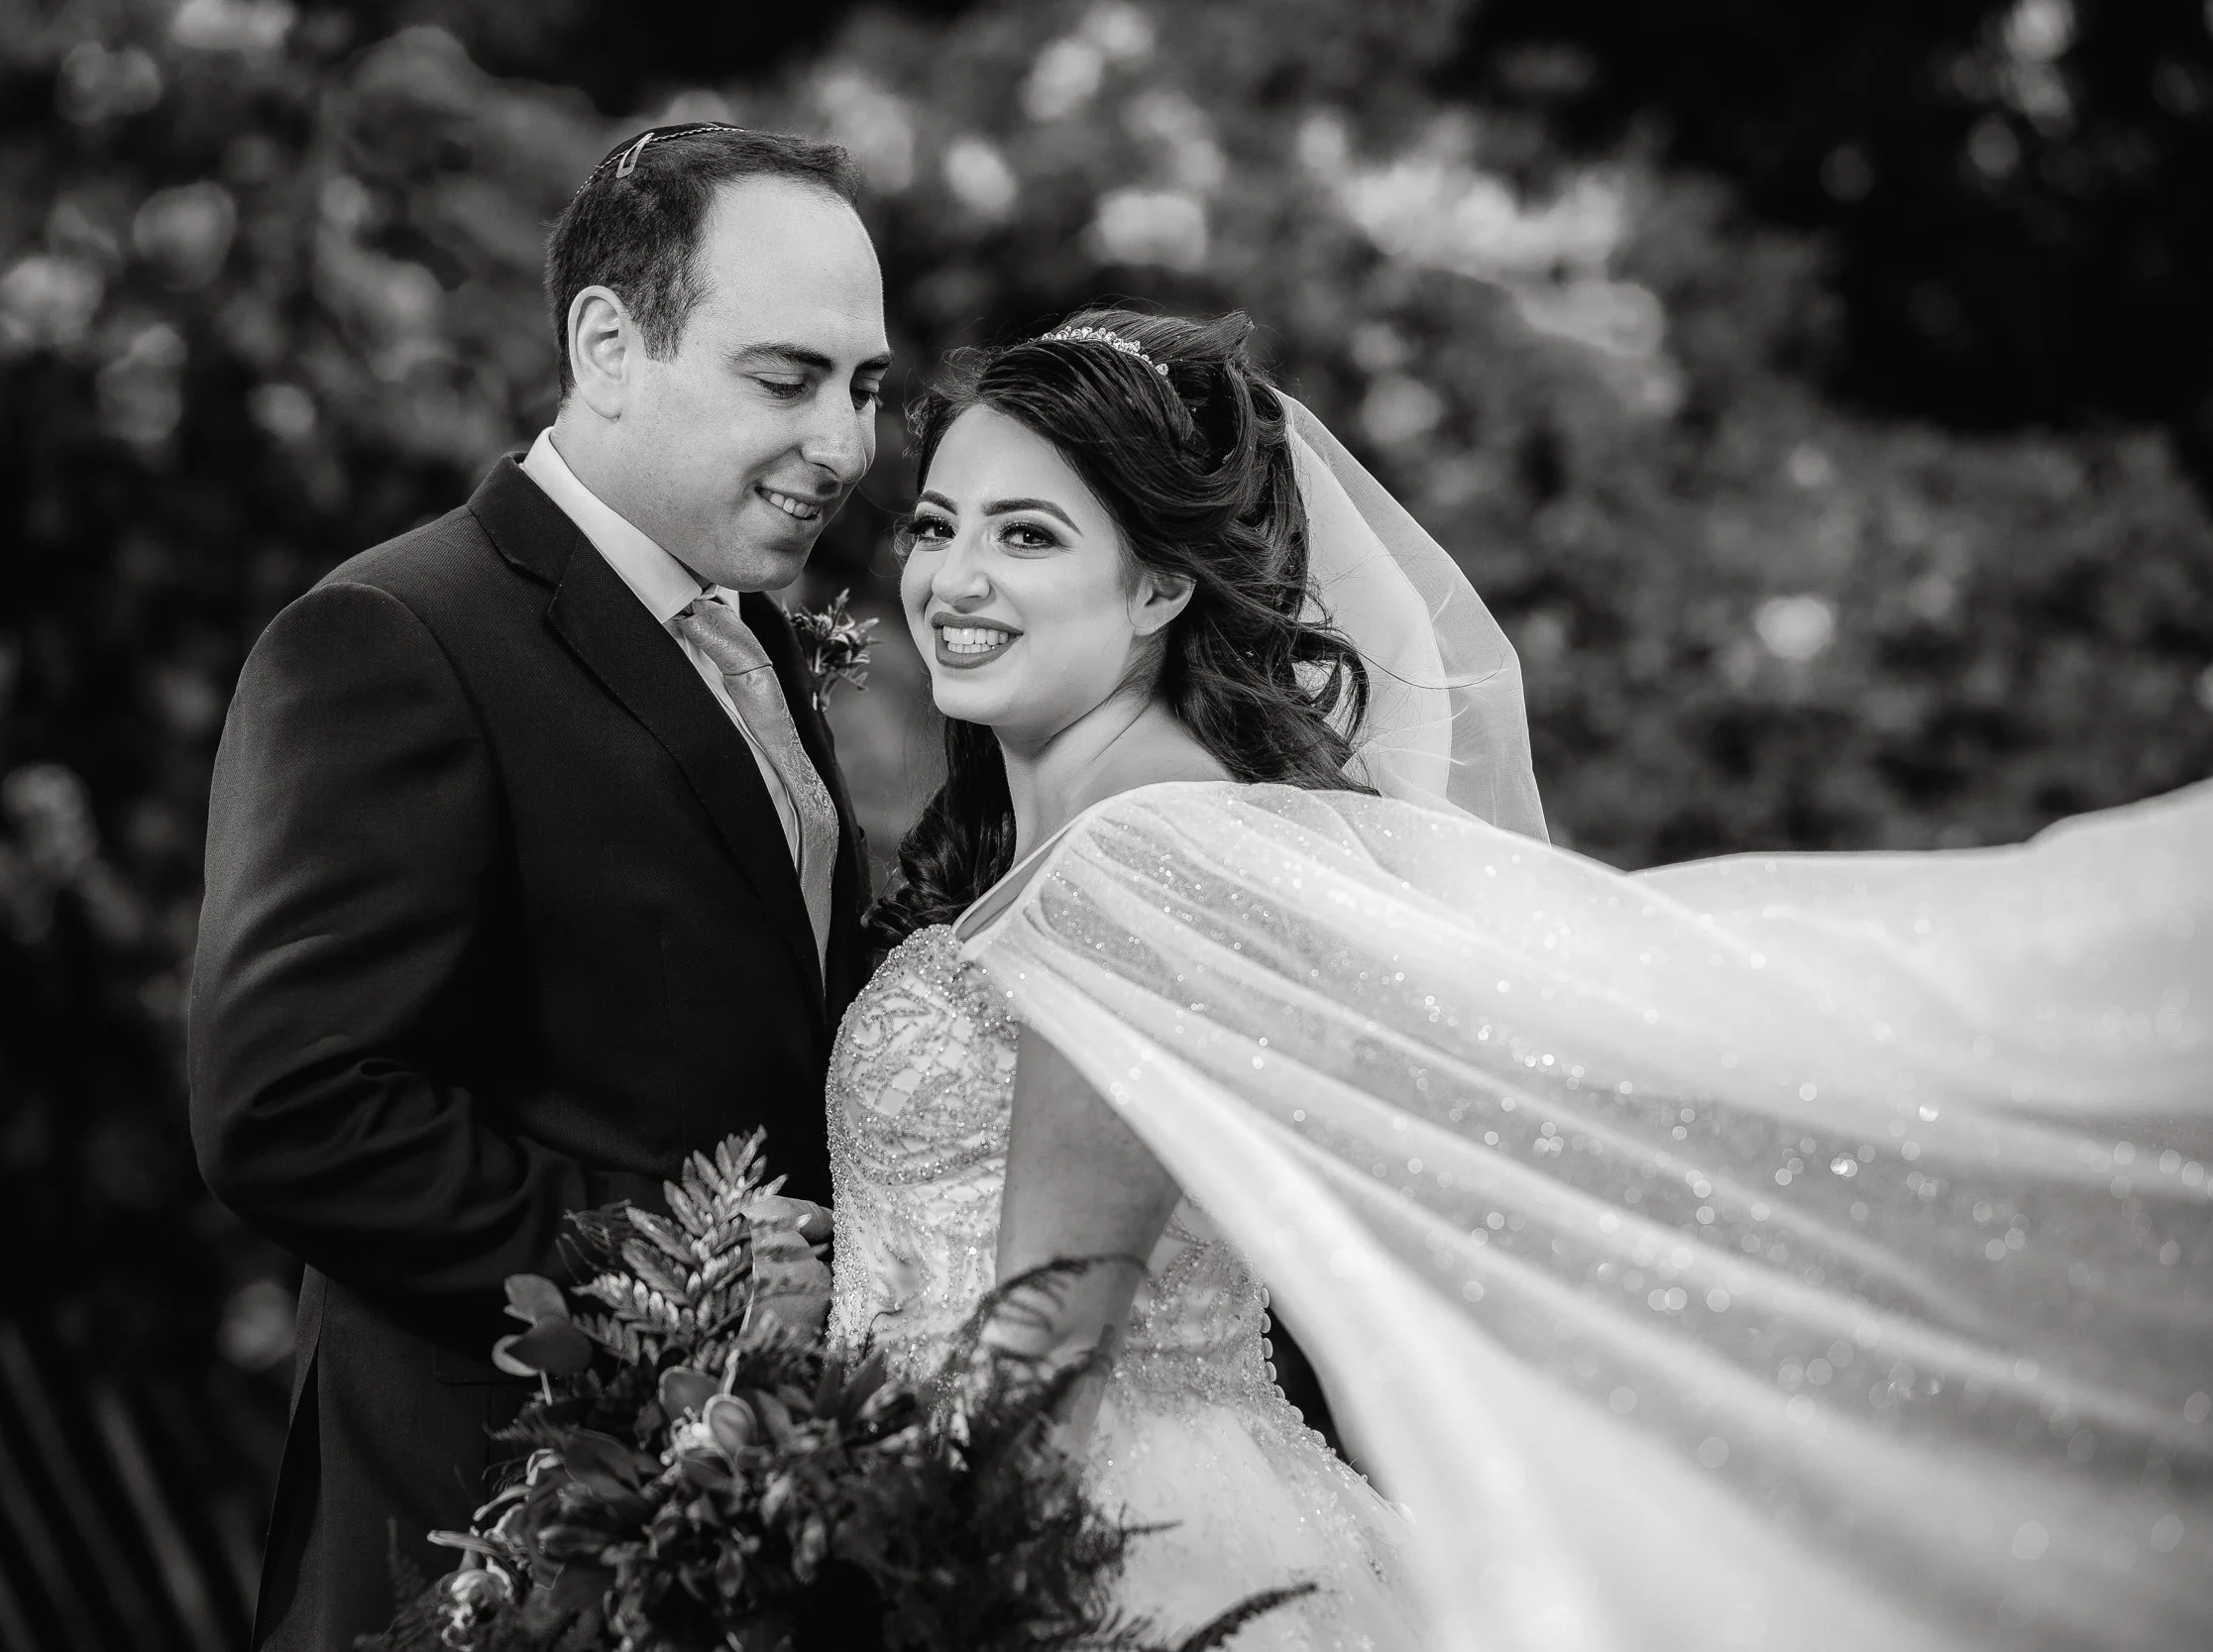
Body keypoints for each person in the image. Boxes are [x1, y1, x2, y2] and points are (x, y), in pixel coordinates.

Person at [825, 308, 2213, 1652]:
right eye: (938, 526)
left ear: (1161, 584)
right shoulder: (1185, 829)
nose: (953, 580)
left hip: (1080, 1552)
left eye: (1028, 535)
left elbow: (1045, 1347)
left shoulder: (1132, 867)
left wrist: (859, 1581)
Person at [190, 125, 887, 1648]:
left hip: (738, 1542)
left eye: (866, 385)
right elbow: (292, 1105)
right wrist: (680, 1281)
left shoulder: (753, 636)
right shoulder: (392, 637)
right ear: (607, 343)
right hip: (481, 1544)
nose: (843, 443)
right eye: (787, 378)